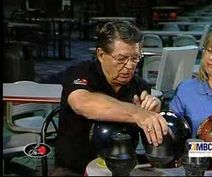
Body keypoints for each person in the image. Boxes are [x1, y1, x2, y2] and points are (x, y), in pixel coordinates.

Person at [53, 21, 168, 175]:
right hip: (75, 169)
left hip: (121, 168)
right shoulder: (80, 73)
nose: (129, 66)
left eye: (135, 58)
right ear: (101, 54)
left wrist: (154, 114)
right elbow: (81, 103)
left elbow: (154, 147)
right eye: (121, 59)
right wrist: (137, 113)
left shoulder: (140, 87)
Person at [169, 25, 212, 137]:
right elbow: (172, 133)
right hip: (194, 152)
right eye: (208, 50)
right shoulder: (186, 89)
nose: (211, 57)